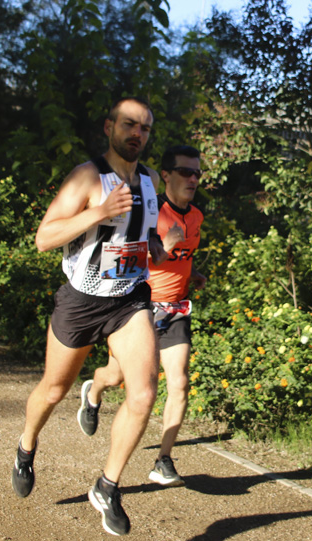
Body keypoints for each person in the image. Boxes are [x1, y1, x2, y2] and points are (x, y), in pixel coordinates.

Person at [10, 97, 168, 537]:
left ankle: (107, 485)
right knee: (54, 389)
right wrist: (98, 212)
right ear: (109, 127)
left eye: (146, 128)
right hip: (81, 302)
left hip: (129, 300)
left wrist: (152, 244)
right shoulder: (87, 176)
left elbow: (143, 229)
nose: (138, 133)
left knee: (143, 393)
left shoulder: (152, 180)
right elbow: (44, 238)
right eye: (130, 125)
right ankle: (26, 445)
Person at [77, 145, 206, 488]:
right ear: (166, 175)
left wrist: (191, 275)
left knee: (178, 382)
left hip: (176, 308)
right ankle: (94, 391)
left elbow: (184, 256)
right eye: (185, 172)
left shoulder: (196, 216)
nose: (193, 179)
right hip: (139, 308)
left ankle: (163, 460)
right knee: (117, 377)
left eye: (198, 173)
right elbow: (127, 261)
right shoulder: (150, 212)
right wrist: (168, 244)